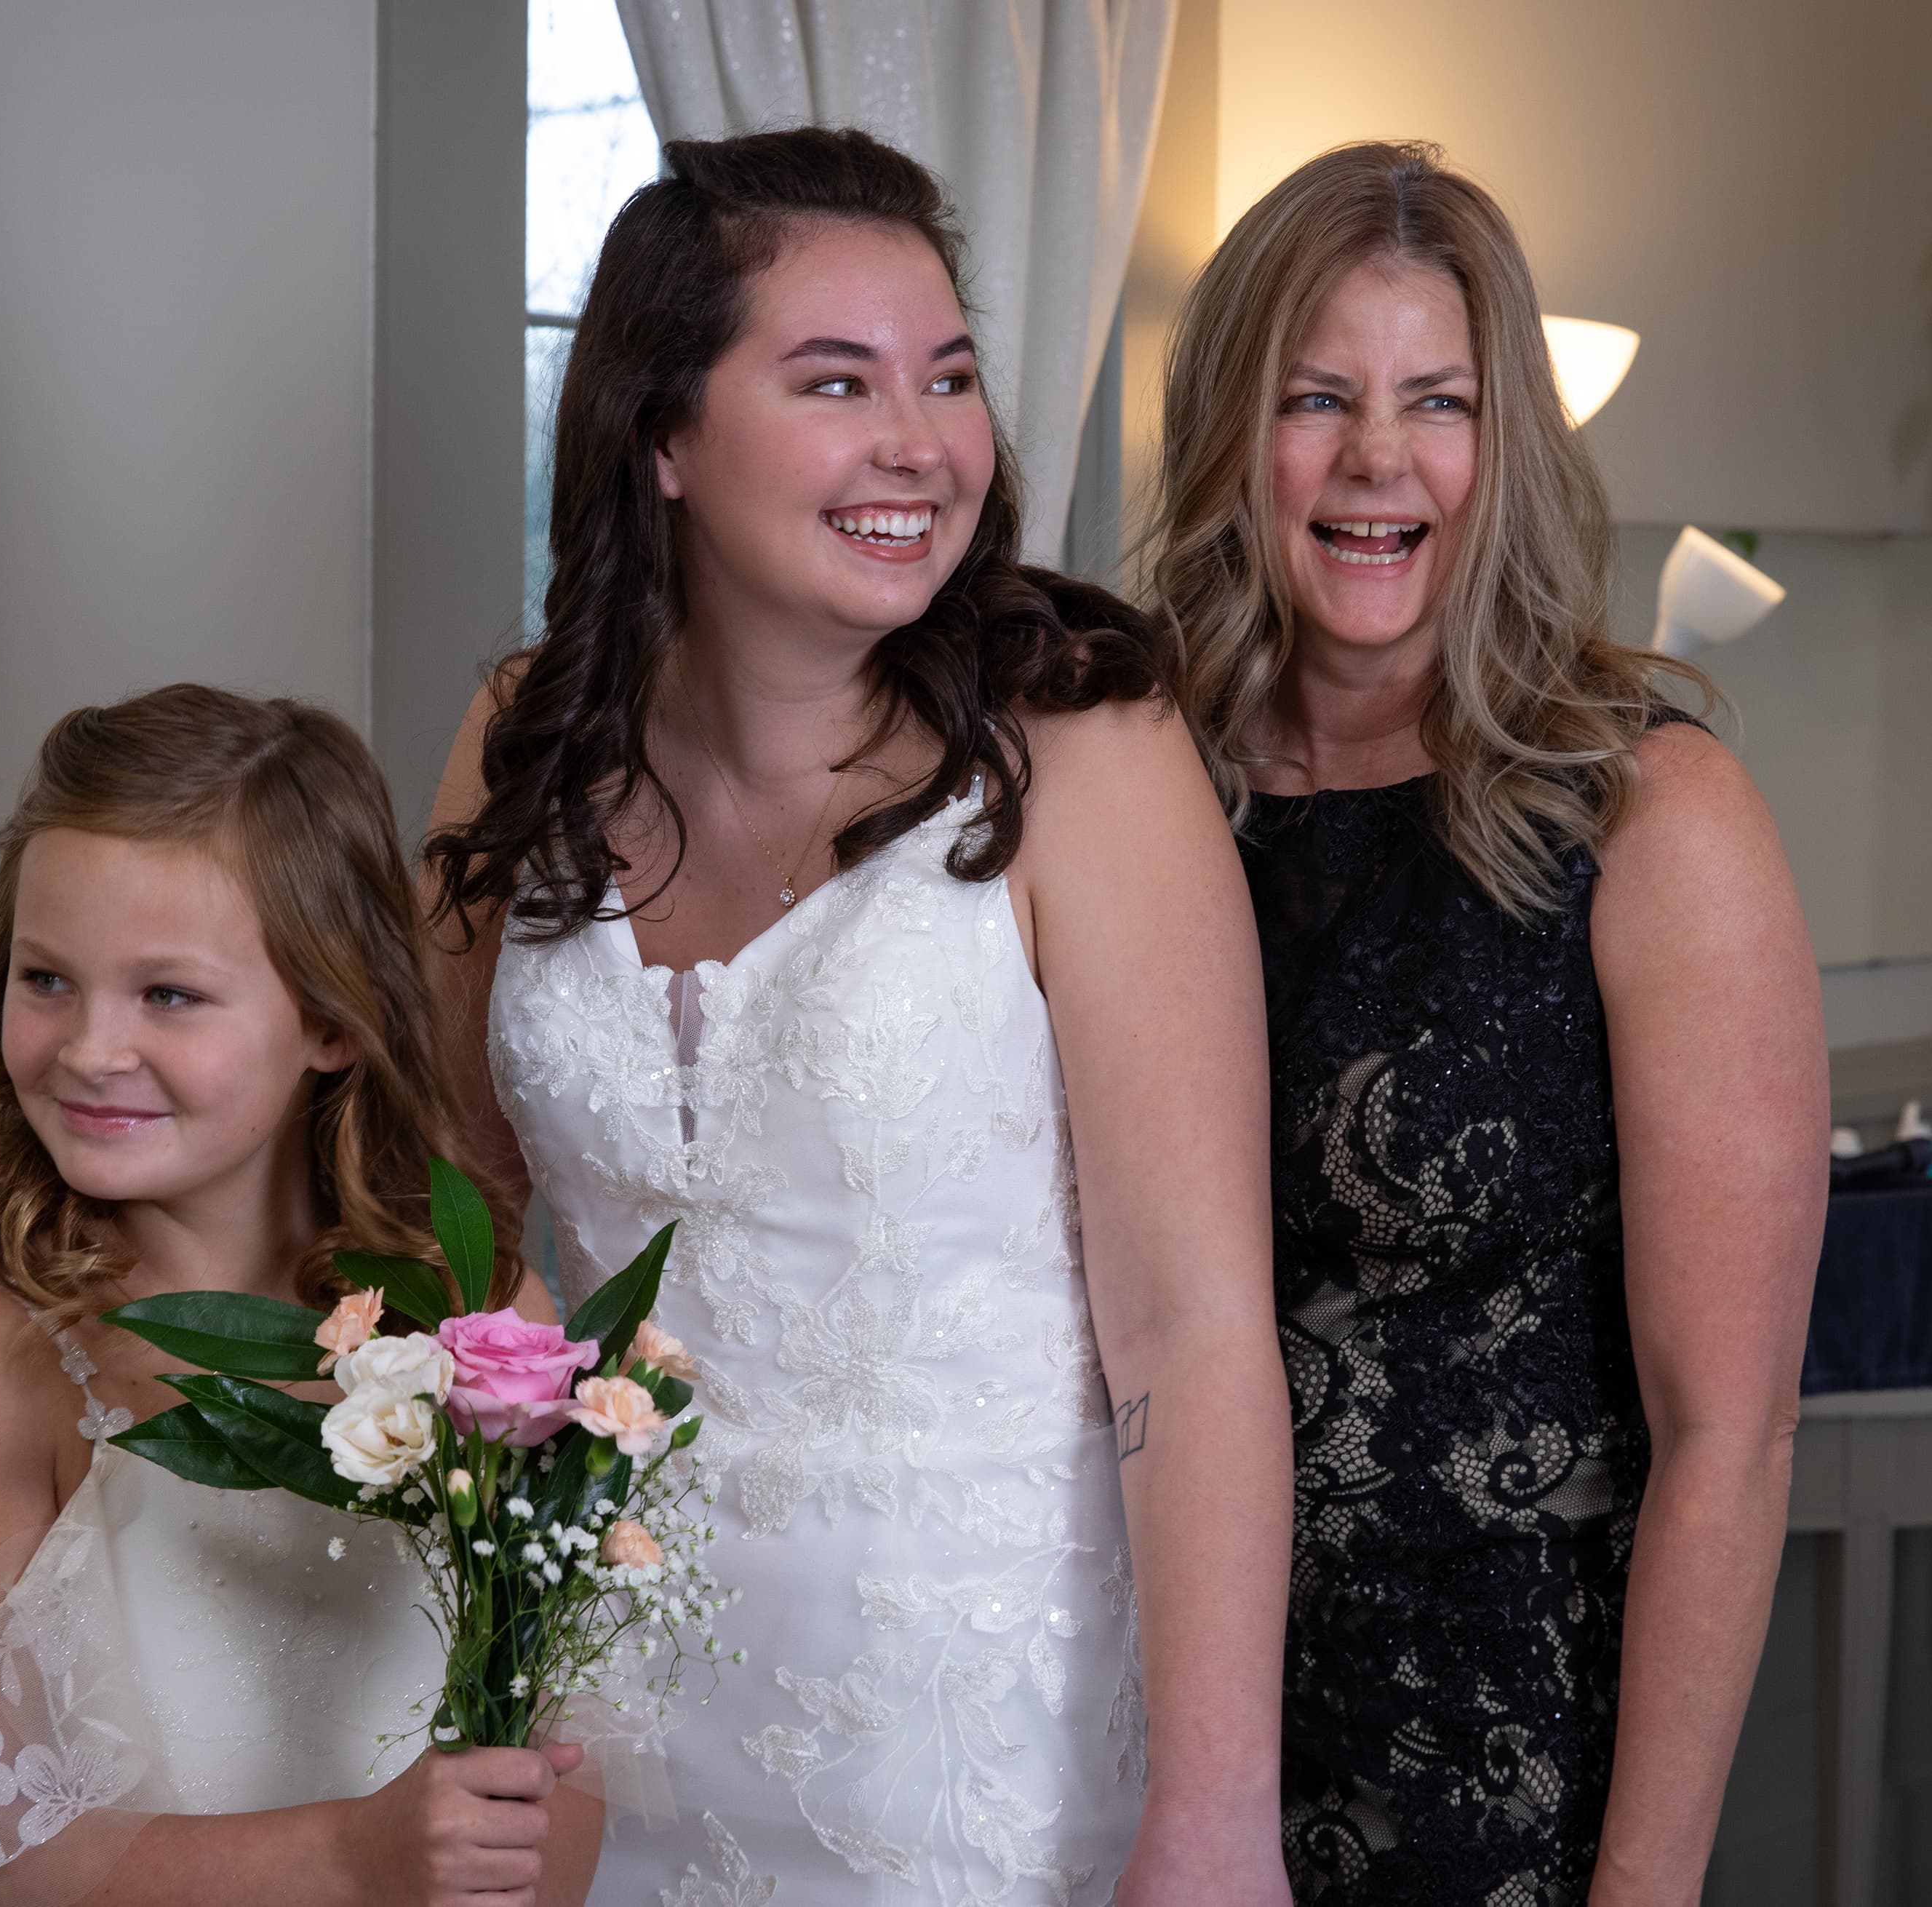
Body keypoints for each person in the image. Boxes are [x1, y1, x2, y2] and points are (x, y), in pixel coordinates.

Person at [424, 127, 1293, 1904]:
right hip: (581, 1735)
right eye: (839, 381)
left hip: (969, 1758)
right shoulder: (524, 736)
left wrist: (1216, 1818)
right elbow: (441, 1201)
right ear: (662, 437)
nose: (924, 443)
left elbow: (1195, 1331)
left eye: (951, 377)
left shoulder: (1083, 749)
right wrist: (31, 1230)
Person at [1144, 141, 1828, 1906]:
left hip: (1502, 1763)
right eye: (1318, 399)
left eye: (1435, 401)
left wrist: (1647, 1888)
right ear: (1234, 432)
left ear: (1503, 440)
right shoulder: (1131, 790)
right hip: (1128, 1731)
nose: (1380, 460)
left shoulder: (1654, 817)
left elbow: (1729, 1437)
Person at [0, 687, 593, 1907]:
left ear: (333, 1019)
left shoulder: (484, 1320)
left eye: (169, 994)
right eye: (48, 979)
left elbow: (580, 1749)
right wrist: (354, 1860)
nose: (90, 1049)